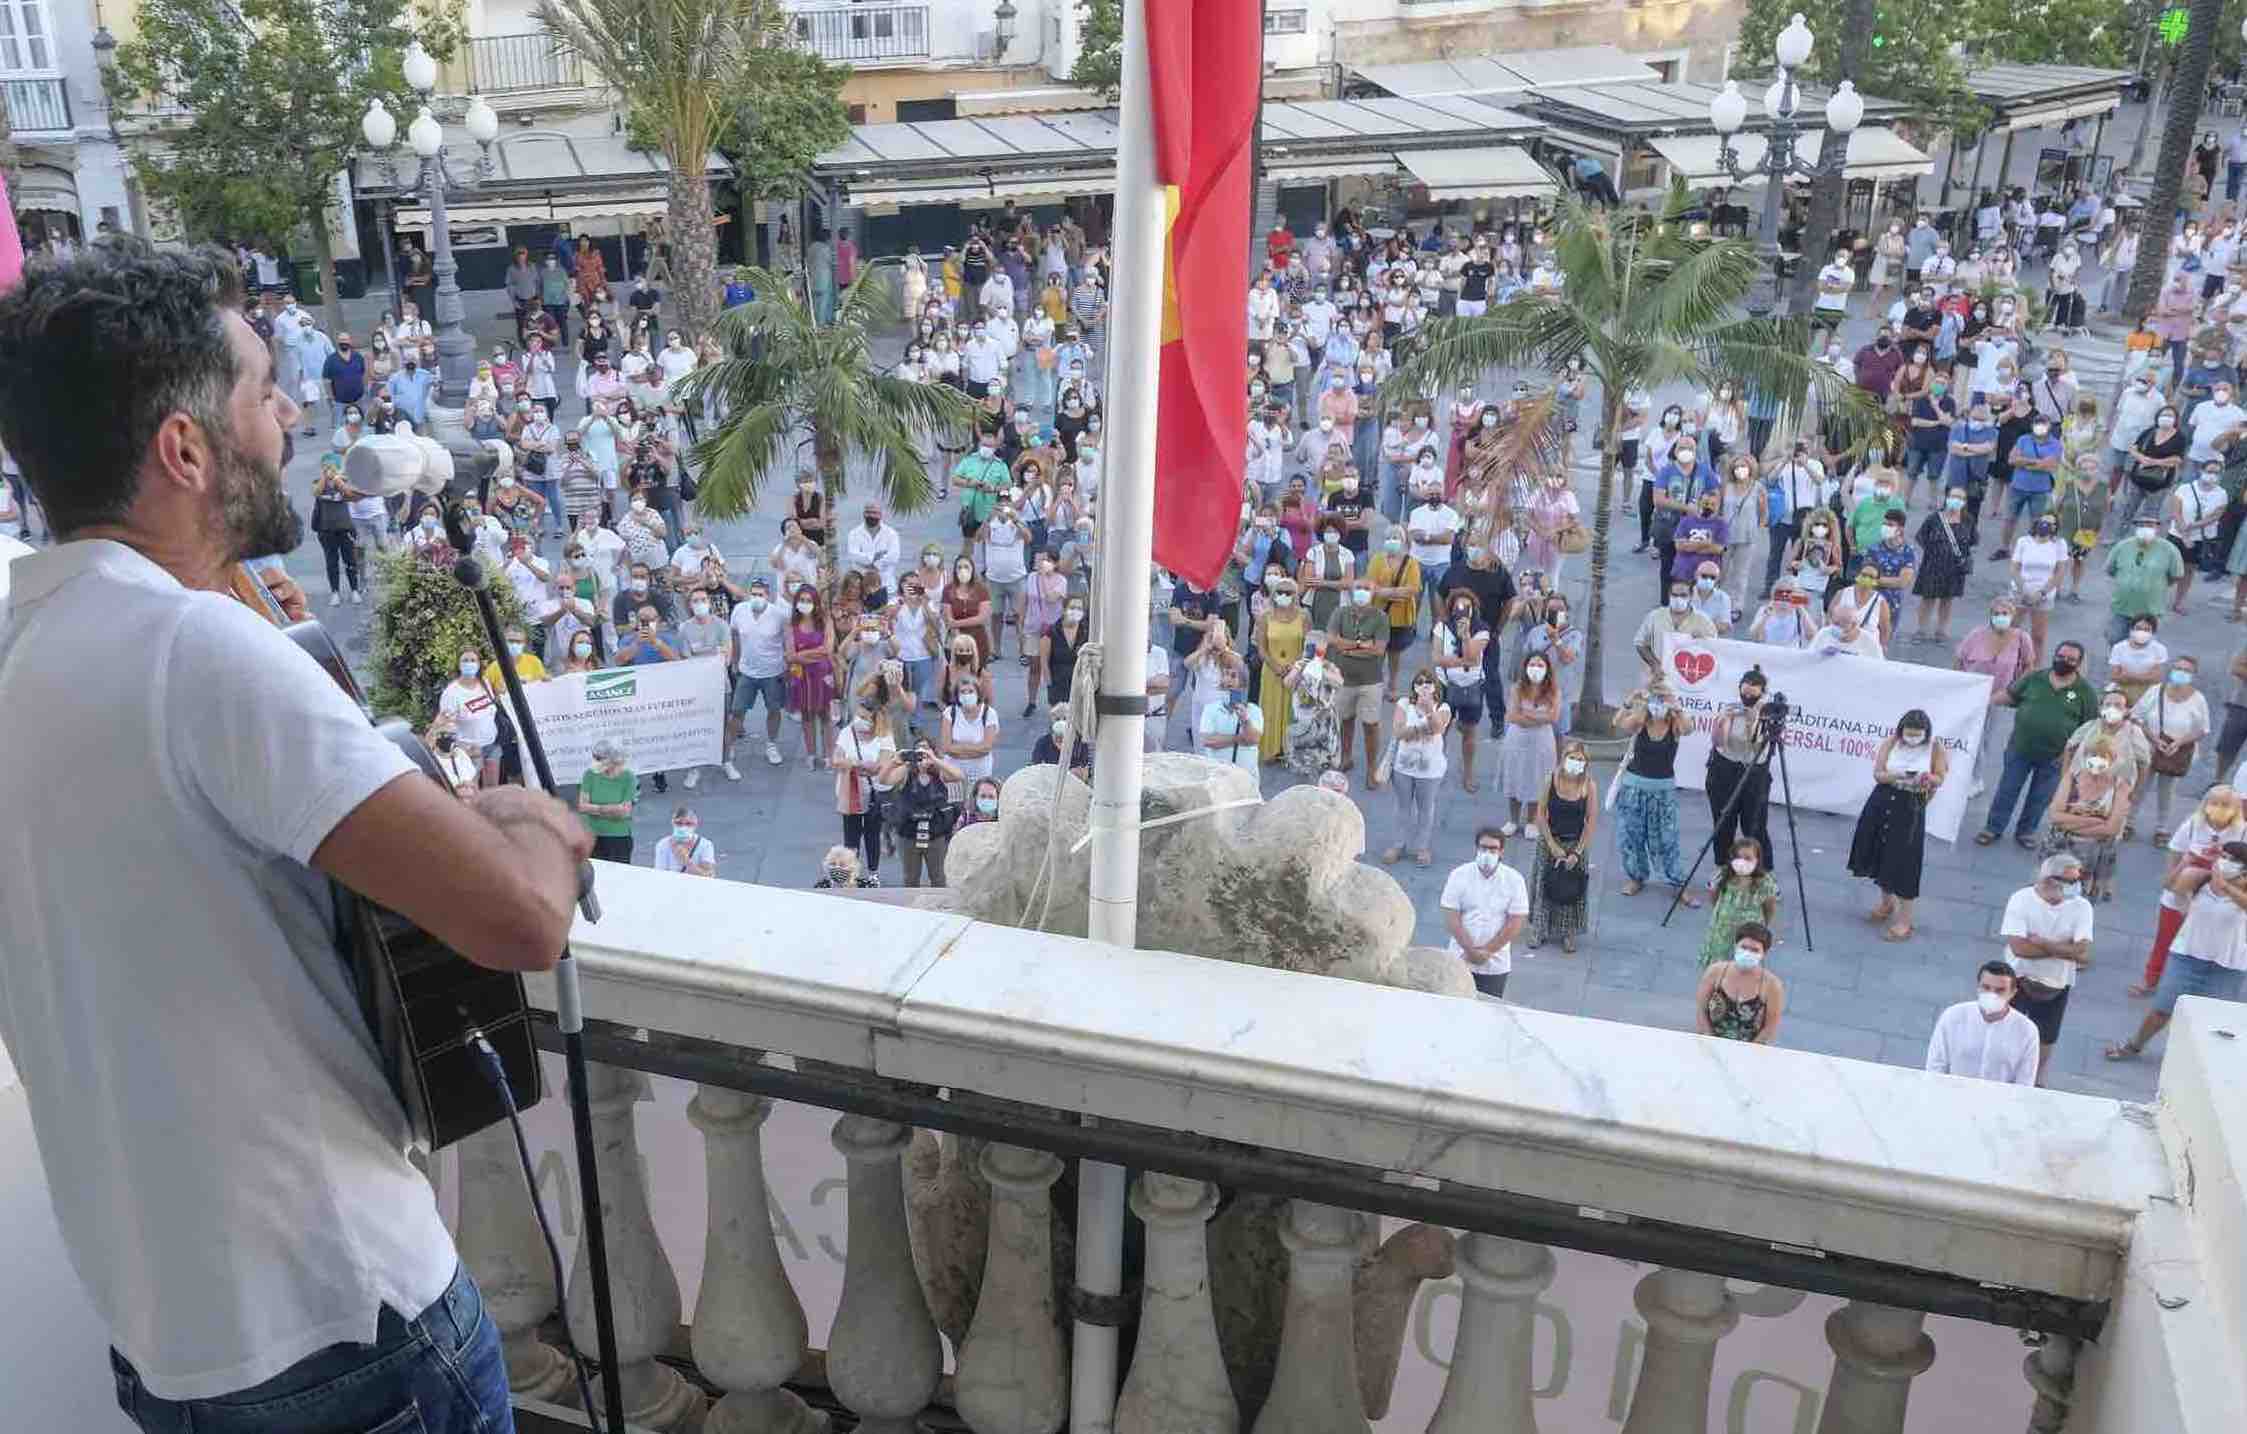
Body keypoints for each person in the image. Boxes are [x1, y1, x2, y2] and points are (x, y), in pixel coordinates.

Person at [0, 242, 596, 1434]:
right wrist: (533, 816)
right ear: (184, 449)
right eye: (263, 392)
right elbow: (520, 916)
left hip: (170, 1340)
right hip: (346, 1321)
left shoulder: (26, 647)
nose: (289, 415)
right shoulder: (196, 656)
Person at [2108, 840, 2247, 1063]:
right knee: (2162, 1009)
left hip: (2227, 966)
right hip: (2187, 956)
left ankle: (2199, 1061)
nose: (2225, 863)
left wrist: (2228, 887)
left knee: (2212, 1019)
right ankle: (2134, 1045)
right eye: (2223, 857)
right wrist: (2184, 864)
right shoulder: (2200, 879)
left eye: (2233, 860)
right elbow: (2171, 887)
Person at [1978, 641, 2096, 847]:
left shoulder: (2085, 692)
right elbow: (2008, 695)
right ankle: (1993, 828)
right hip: (2020, 749)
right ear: (2054, 655)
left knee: (2040, 797)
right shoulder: (2035, 678)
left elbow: (2090, 729)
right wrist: (1980, 702)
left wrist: (2073, 757)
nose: (2064, 661)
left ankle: (2026, 832)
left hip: (2056, 756)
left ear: (2078, 663)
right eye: (2061, 656)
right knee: (2007, 790)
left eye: (2071, 659)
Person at [2132, 786, 2246, 997]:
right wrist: (2184, 867)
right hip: (2181, 892)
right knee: (2165, 939)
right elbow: (2174, 860)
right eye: (2215, 803)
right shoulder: (2192, 825)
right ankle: (2151, 979)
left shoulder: (2242, 831)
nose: (2219, 809)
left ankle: (2196, 987)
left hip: (2219, 896)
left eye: (2226, 805)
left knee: (2208, 941)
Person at [1848, 708, 1948, 941]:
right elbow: (1879, 773)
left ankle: (1905, 919)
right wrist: (1897, 775)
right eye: (1908, 734)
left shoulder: (1935, 747)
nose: (1912, 739)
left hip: (1910, 805)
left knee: (1905, 860)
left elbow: (1940, 777)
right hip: (1884, 798)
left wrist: (1926, 778)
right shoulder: (1891, 742)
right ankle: (1886, 903)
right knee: (1880, 852)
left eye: (1917, 735)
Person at [1614, 685, 1701, 905]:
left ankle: (1677, 882)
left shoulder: (1674, 724)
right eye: (1656, 699)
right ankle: (1637, 877)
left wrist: (1676, 705)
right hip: (1634, 787)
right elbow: (1618, 724)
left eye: (1662, 699)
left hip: (1663, 790)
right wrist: (1633, 701)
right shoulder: (1641, 721)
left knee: (1668, 839)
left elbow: (1689, 728)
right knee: (1631, 837)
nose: (1658, 703)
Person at [1440, 826, 1531, 1000]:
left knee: (1490, 1010)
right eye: (1483, 848)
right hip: (1460, 957)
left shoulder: (1514, 880)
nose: (1487, 853)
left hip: (1495, 962)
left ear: (1501, 851)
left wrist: (1488, 951)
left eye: (1493, 849)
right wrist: (1470, 950)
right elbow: (1451, 916)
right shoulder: (1459, 875)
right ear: (1476, 848)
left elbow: (1516, 922)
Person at [1525, 740, 1596, 954]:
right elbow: (1541, 813)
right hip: (1550, 840)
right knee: (1544, 884)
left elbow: (1591, 820)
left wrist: (1578, 851)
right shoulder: (1551, 780)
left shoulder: (1588, 786)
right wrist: (1551, 844)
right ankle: (1539, 928)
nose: (1575, 762)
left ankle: (1568, 933)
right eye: (1572, 757)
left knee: (1571, 889)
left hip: (1574, 843)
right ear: (1564, 758)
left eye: (1580, 759)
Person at [1705, 669, 1776, 880]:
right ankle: (1722, 867)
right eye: (1744, 694)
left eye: (1753, 696)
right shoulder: (1730, 708)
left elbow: (1759, 746)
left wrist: (1753, 721)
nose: (1747, 700)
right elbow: (1719, 742)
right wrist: (1722, 721)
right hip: (1725, 769)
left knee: (1755, 825)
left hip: (1755, 772)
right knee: (1723, 821)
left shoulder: (1769, 713)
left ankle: (1762, 873)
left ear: (1762, 694)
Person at [2131, 654, 2211, 841]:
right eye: (2178, 668)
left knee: (2167, 791)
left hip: (2176, 752)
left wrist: (2179, 743)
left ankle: (2162, 828)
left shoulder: (2198, 699)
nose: (2180, 673)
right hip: (2149, 748)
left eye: (2186, 670)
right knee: (2139, 786)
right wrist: (2153, 739)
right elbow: (2136, 716)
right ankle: (2129, 822)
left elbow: (2203, 729)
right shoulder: (2155, 691)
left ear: (2193, 675)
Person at [1926, 963, 2041, 1086]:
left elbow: (2025, 1081)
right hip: (1953, 1096)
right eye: (1986, 987)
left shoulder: (2027, 1031)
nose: (1992, 994)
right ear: (1978, 987)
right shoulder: (1953, 1017)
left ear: (2013, 993)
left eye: (2000, 990)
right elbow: (1936, 1065)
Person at [1381, 667, 1451, 865]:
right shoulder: (1404, 703)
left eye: (1427, 682)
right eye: (1419, 682)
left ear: (1435, 687)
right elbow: (1399, 732)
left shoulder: (1444, 707)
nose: (1423, 686)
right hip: (1403, 767)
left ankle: (1422, 847)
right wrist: (1423, 728)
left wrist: (1429, 710)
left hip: (1430, 770)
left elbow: (1438, 729)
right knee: (1403, 807)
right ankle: (1398, 844)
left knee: (1425, 809)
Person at [878, 742, 965, 887]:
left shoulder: (939, 772)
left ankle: (939, 908)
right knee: (910, 878)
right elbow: (883, 780)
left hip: (935, 833)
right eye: (918, 750)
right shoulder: (906, 771)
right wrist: (895, 762)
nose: (922, 753)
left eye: (926, 749)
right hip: (908, 833)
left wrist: (935, 761)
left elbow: (959, 776)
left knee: (939, 878)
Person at [727, 575, 789, 775]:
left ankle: (771, 744)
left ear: (768, 595)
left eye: (760, 594)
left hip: (773, 671)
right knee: (737, 712)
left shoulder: (779, 616)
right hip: (747, 671)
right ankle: (729, 747)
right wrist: (735, 661)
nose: (756, 597)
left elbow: (787, 643)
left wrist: (787, 668)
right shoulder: (739, 611)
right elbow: (735, 635)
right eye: (753, 594)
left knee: (774, 710)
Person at [833, 697, 897, 878]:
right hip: (850, 794)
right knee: (851, 839)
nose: (858, 719)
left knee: (872, 836)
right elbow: (836, 760)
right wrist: (861, 764)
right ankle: (851, 875)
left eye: (864, 716)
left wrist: (852, 764)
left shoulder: (885, 736)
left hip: (873, 795)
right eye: (858, 715)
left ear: (874, 720)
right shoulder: (847, 733)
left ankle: (873, 874)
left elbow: (880, 766)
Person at [1694, 922, 1785, 1044]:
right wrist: (1709, 1040)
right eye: (1744, 947)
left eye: (1755, 950)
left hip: (1750, 1049)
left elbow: (1770, 1028)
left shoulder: (1772, 986)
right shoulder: (1715, 972)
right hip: (1710, 1042)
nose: (1747, 953)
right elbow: (1701, 1010)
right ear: (1735, 946)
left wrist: (1747, 1053)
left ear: (1764, 953)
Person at [2105, 515, 2186, 646]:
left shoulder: (2169, 550)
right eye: (2141, 525)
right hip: (2122, 606)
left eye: (2150, 525)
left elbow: (2176, 575)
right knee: (2114, 638)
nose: (2145, 528)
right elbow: (2111, 570)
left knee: (2144, 644)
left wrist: (2157, 585)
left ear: (2158, 528)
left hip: (2150, 609)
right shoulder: (2122, 546)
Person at [1699, 841, 1780, 968]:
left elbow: (1770, 907)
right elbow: (1714, 895)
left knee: (1742, 963)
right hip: (1722, 931)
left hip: (1748, 933)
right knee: (1719, 964)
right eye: (1738, 857)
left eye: (1748, 858)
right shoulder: (1723, 874)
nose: (1742, 862)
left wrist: (1763, 925)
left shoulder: (1765, 882)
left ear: (1757, 860)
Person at [578, 737, 639, 863]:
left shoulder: (628, 778)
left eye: (599, 758)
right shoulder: (589, 774)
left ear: (614, 760)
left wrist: (595, 809)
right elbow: (582, 806)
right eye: (594, 757)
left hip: (618, 837)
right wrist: (610, 809)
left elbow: (624, 812)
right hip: (592, 835)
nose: (595, 761)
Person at [653, 807, 718, 876]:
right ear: (673, 823)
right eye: (679, 823)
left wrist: (686, 862)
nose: (683, 827)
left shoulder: (705, 845)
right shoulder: (663, 844)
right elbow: (660, 875)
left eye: (688, 824)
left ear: (695, 825)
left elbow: (709, 876)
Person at [813, 844, 882, 890]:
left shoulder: (867, 887)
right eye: (833, 864)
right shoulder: (821, 887)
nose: (837, 868)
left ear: (853, 868)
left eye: (842, 865)